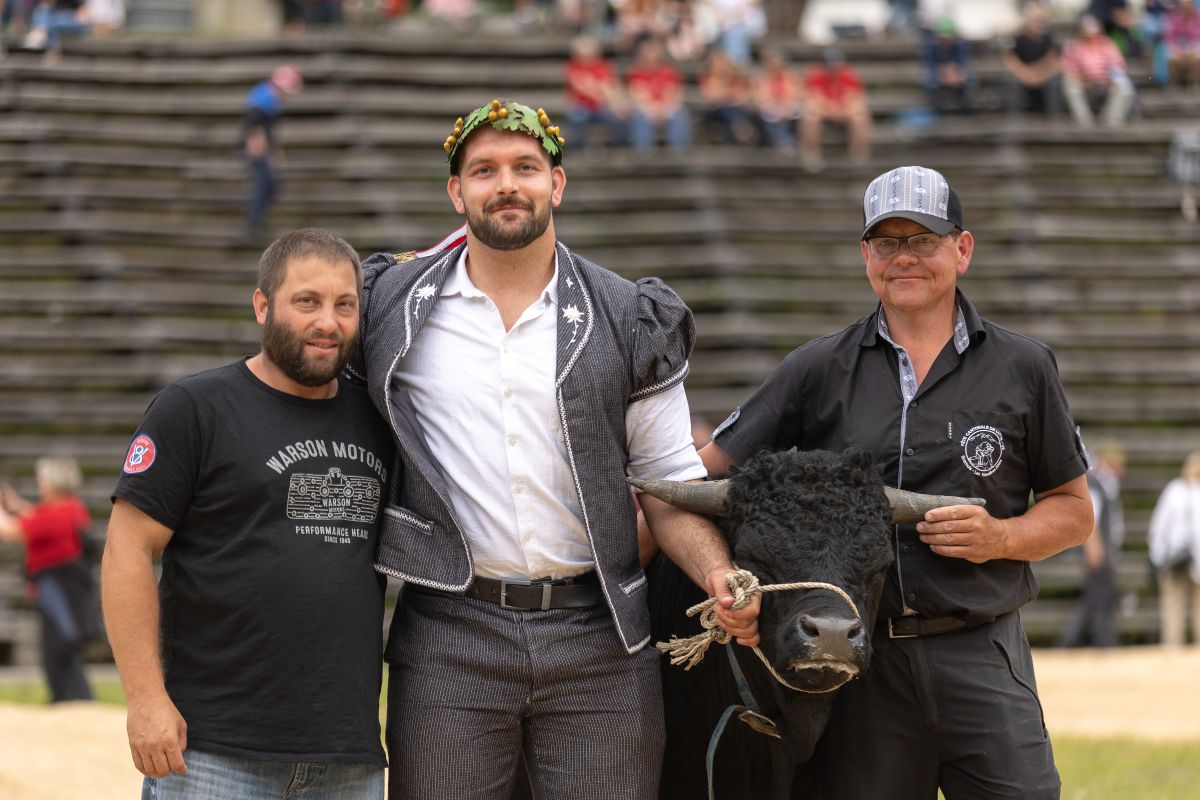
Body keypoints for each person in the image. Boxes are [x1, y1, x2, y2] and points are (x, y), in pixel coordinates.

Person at [350, 98, 760, 800]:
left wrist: (718, 574)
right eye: (484, 170)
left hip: (600, 636)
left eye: (525, 167)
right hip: (449, 631)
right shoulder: (391, 303)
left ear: (557, 184)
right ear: (457, 192)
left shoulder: (626, 313)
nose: (506, 184)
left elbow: (669, 482)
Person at [698, 164, 1093, 799]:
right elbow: (703, 476)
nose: (904, 257)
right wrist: (726, 580)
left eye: (923, 240)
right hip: (861, 666)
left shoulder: (1024, 366)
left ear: (962, 249)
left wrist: (1001, 538)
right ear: (866, 257)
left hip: (982, 651)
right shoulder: (815, 368)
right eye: (886, 242)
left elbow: (1074, 511)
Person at [101, 229, 392, 798]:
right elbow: (126, 549)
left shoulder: (381, 419)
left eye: (344, 305)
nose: (328, 322)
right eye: (306, 301)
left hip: (347, 756)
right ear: (262, 306)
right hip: (212, 752)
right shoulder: (194, 408)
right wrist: (145, 699)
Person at [0, 457, 98, 703]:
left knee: (57, 650)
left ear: (54, 484)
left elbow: (12, 531)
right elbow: (36, 516)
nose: (40, 485)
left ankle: (70, 699)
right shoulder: (71, 508)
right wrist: (16, 505)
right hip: (64, 591)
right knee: (62, 647)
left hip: (57, 590)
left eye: (43, 481)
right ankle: (72, 699)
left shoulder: (56, 515)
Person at [1058, 439, 1125, 648]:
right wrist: (1095, 549)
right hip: (1100, 552)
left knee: (1093, 600)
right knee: (1098, 599)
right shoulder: (1095, 483)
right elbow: (1092, 518)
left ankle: (1075, 642)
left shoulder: (1103, 483)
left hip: (1104, 550)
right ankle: (1099, 642)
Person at [241, 65, 303, 239]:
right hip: (258, 148)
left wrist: (274, 150)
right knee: (264, 183)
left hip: (264, 146)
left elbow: (267, 129)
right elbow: (254, 124)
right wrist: (260, 149)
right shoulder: (264, 98)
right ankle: (254, 225)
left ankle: (258, 222)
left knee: (271, 183)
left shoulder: (270, 98)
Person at [1147, 449, 1200, 646]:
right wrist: (1159, 557)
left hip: (1197, 561)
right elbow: (1159, 526)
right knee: (1173, 609)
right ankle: (1173, 652)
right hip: (1174, 559)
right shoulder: (1174, 491)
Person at [800, 47, 871, 171]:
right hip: (824, 110)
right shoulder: (816, 74)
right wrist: (830, 109)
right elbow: (813, 96)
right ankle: (812, 155)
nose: (833, 68)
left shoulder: (848, 74)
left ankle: (859, 155)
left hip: (843, 109)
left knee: (859, 116)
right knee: (810, 117)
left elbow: (853, 96)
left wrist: (841, 109)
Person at [1062, 14, 1135, 127]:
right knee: (1071, 86)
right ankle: (1085, 124)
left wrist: (1112, 81)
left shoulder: (1107, 44)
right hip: (1084, 84)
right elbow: (1069, 72)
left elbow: (1118, 66)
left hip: (1106, 83)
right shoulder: (1074, 47)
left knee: (1124, 86)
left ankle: (1111, 123)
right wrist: (1084, 82)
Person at [626, 36, 692, 152]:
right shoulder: (637, 72)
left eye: (654, 50)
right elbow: (637, 94)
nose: (651, 54)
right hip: (646, 108)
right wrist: (652, 109)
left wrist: (663, 108)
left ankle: (679, 154)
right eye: (648, 50)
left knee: (680, 116)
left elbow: (676, 93)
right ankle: (643, 155)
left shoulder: (669, 71)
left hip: (667, 107)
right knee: (639, 117)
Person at [563, 34, 627, 150]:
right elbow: (583, 88)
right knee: (577, 118)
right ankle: (578, 150)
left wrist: (614, 101)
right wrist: (605, 95)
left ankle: (619, 149)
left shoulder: (603, 65)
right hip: (582, 107)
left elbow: (612, 85)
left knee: (618, 119)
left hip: (601, 108)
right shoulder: (573, 67)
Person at [1001, 3, 1062, 115]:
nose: (1037, 23)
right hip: (1023, 76)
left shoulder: (1049, 39)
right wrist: (1026, 74)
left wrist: (1038, 75)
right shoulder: (1018, 39)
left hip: (1044, 77)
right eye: (1034, 19)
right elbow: (1010, 59)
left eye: (1040, 19)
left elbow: (1055, 61)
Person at [698, 47, 757, 145]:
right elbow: (711, 98)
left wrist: (727, 91)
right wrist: (727, 92)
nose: (721, 65)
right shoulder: (708, 77)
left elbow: (742, 96)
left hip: (734, 109)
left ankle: (739, 133)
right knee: (727, 109)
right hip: (713, 111)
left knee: (731, 110)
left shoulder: (733, 77)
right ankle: (742, 131)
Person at [752, 48, 803, 150]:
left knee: (799, 113)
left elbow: (798, 95)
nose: (775, 66)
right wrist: (776, 108)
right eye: (771, 63)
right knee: (770, 116)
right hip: (770, 109)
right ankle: (785, 144)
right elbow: (759, 99)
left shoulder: (791, 77)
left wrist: (785, 108)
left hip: (788, 107)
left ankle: (789, 144)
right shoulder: (760, 79)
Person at [922, 16, 973, 115]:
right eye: (943, 38)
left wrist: (956, 75)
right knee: (931, 82)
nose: (946, 41)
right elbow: (931, 67)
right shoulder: (932, 48)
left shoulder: (960, 47)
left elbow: (962, 65)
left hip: (954, 75)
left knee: (969, 81)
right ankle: (937, 109)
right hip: (940, 76)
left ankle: (964, 109)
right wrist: (943, 74)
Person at [1165, 0, 1200, 87]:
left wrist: (1193, 46)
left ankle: (1193, 82)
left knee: (1196, 58)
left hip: (1195, 45)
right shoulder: (1175, 19)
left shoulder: (1198, 18)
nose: (1187, 9)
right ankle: (1175, 84)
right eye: (1184, 7)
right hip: (1180, 46)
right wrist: (1176, 49)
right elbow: (1171, 37)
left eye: (1189, 6)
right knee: (1172, 59)